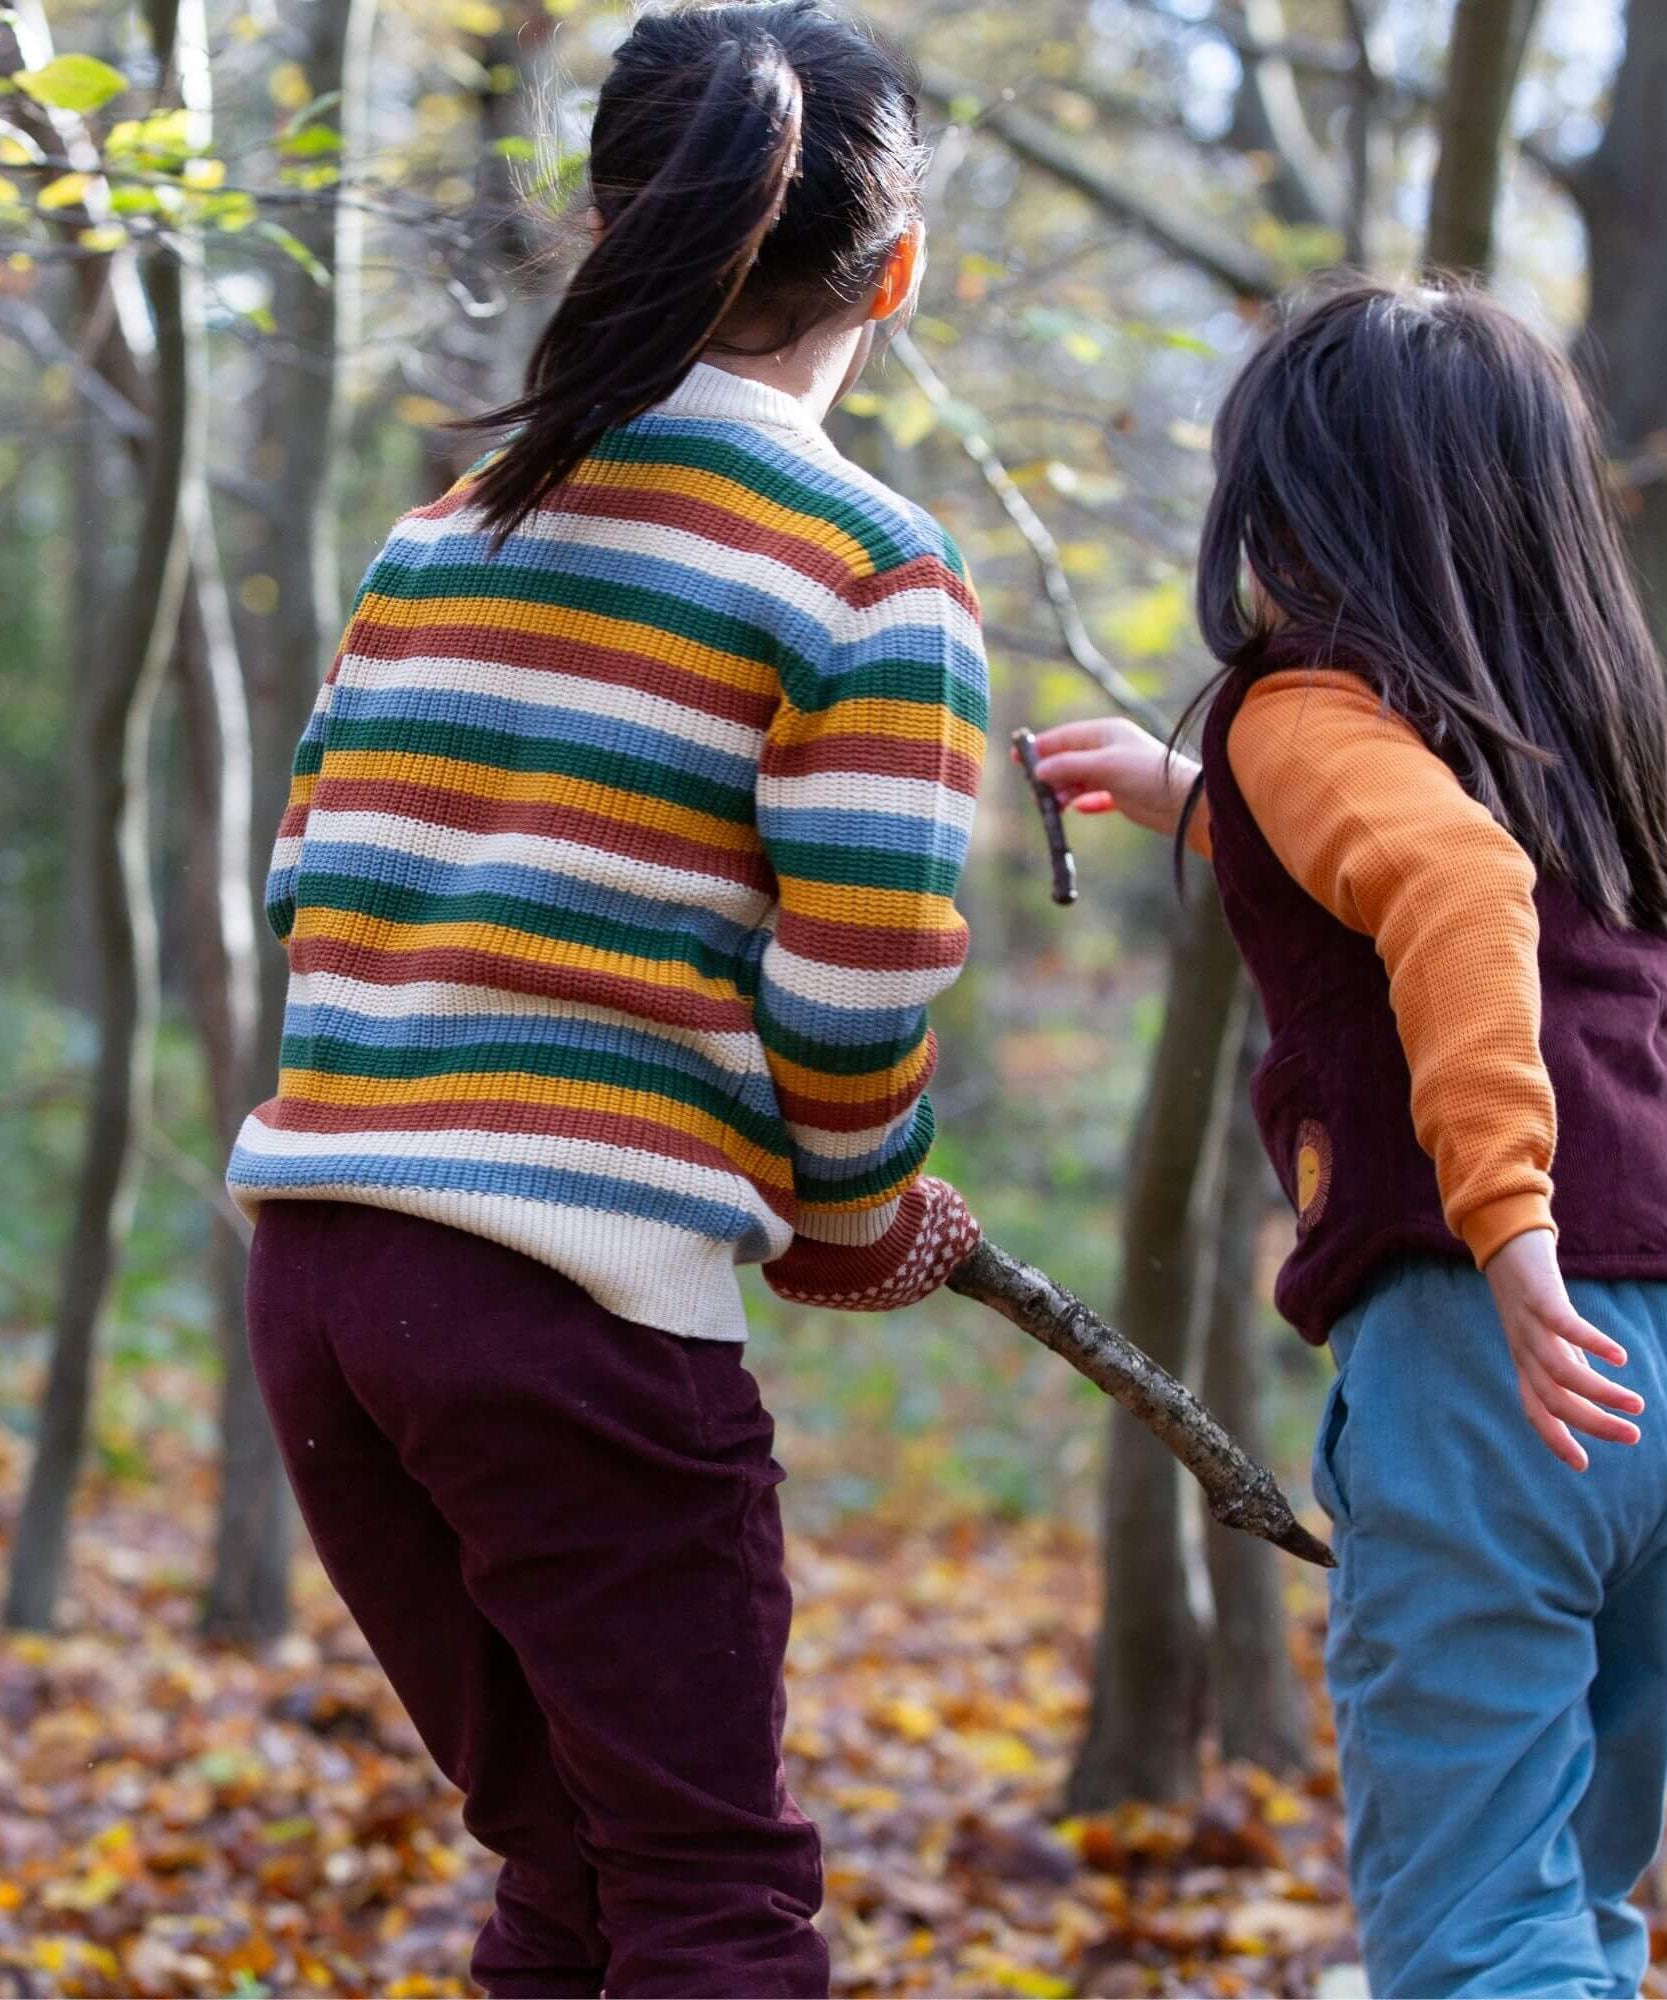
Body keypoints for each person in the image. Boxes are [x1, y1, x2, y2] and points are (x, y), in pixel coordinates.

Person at [228, 7, 987, 1993]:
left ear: (605, 223)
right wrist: (852, 1212)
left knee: (572, 1854)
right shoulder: (864, 568)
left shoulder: (442, 530)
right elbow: (859, 972)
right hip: (564, 1315)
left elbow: (309, 878)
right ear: (897, 269)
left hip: (322, 1290)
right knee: (715, 1887)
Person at [1028, 281, 1667, 1999]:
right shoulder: (1604, 748)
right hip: (1659, 1360)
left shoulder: (1295, 710)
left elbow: (1449, 880)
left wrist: (1512, 1228)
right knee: (1585, 1907)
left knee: (1478, 1932)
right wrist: (1198, 805)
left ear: (1296, 510)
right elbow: (1425, 838)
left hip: (1496, 1356)